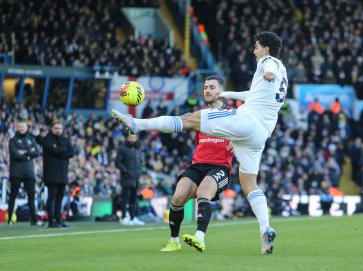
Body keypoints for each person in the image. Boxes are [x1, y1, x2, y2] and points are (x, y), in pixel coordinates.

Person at [112, 31, 287, 254]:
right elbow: (253, 94)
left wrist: (268, 72)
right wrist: (228, 93)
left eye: (256, 47)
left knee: (189, 119)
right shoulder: (285, 75)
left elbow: (268, 67)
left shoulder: (269, 62)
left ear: (266, 49)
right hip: (261, 132)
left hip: (247, 121)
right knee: (249, 184)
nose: (254, 51)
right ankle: (266, 228)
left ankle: (137, 124)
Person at [160, 75, 234, 252]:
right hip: (198, 165)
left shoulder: (234, 113)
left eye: (212, 87)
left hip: (220, 167)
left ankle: (200, 238)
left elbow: (257, 129)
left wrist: (240, 142)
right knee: (178, 198)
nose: (207, 90)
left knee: (203, 193)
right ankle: (174, 241)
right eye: (205, 87)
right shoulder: (199, 116)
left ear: (220, 92)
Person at [7, 118, 43, 226]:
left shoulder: (31, 139)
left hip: (29, 173)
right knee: (13, 195)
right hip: (16, 172)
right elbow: (15, 154)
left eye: (23, 126)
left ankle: (34, 220)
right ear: (17, 127)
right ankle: (9, 219)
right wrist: (28, 154)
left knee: (31, 197)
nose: (21, 128)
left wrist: (24, 153)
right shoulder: (12, 140)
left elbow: (37, 152)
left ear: (26, 127)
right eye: (19, 126)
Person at [41, 120, 74, 228]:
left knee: (60, 198)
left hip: (63, 173)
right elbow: (53, 150)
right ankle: (51, 221)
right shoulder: (47, 139)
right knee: (52, 198)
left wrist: (59, 150)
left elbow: (72, 152)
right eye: (56, 128)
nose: (58, 130)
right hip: (51, 174)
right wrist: (64, 151)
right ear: (51, 129)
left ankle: (59, 220)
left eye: (60, 128)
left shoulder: (65, 139)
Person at [115, 132, 145, 226]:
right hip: (127, 178)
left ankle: (132, 217)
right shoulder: (122, 149)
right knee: (125, 198)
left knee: (133, 199)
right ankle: (124, 217)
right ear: (127, 138)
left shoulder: (138, 148)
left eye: (133, 137)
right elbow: (117, 162)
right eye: (130, 137)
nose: (132, 139)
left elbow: (139, 161)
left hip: (136, 178)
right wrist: (125, 172)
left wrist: (140, 171)